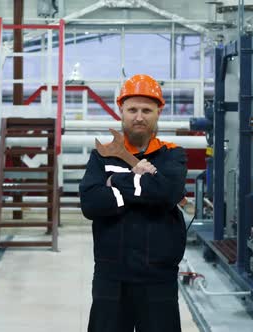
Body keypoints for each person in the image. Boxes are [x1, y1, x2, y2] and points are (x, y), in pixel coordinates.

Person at [79, 74, 188, 332]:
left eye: (147, 110)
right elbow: (91, 204)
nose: (139, 116)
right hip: (111, 276)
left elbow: (167, 194)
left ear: (158, 112)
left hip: (159, 276)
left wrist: (115, 183)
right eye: (133, 110)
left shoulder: (173, 154)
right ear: (121, 111)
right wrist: (141, 182)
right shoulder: (100, 156)